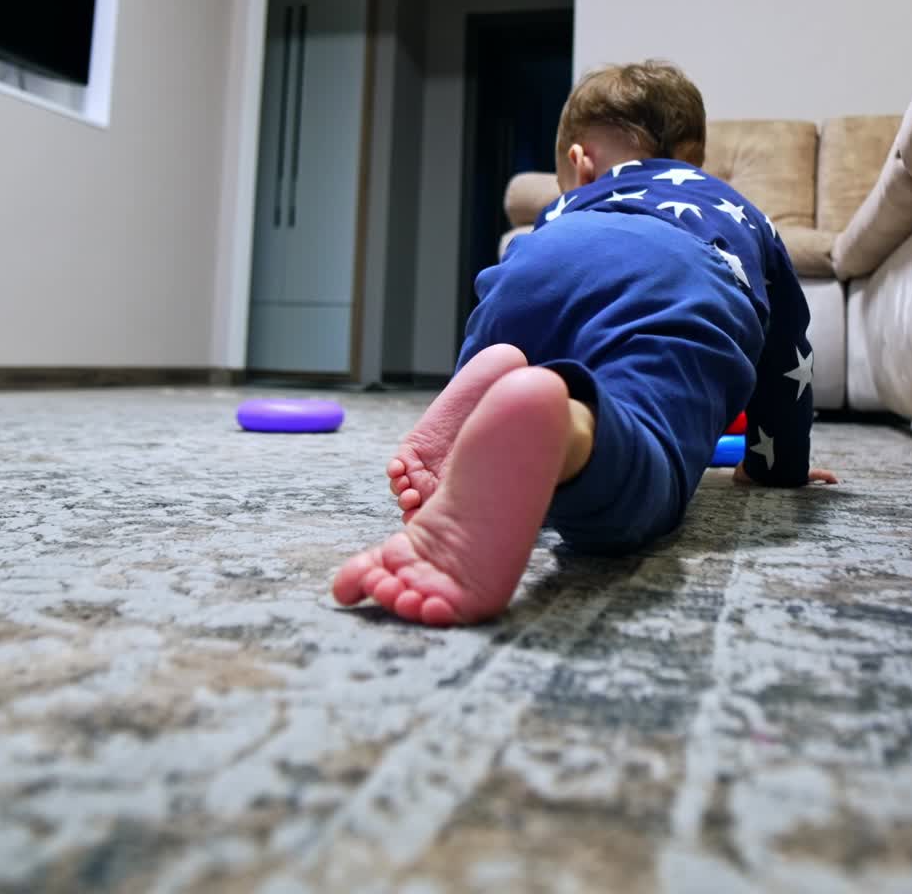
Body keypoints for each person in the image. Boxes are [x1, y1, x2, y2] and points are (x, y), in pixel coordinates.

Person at [333, 60, 838, 627]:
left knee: (517, 316)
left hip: (543, 262)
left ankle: (481, 405)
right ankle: (565, 427)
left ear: (579, 163)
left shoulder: (567, 205)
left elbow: (526, 284)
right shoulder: (738, 213)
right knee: (646, 444)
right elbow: (787, 354)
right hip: (678, 275)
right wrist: (776, 464)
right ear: (691, 158)